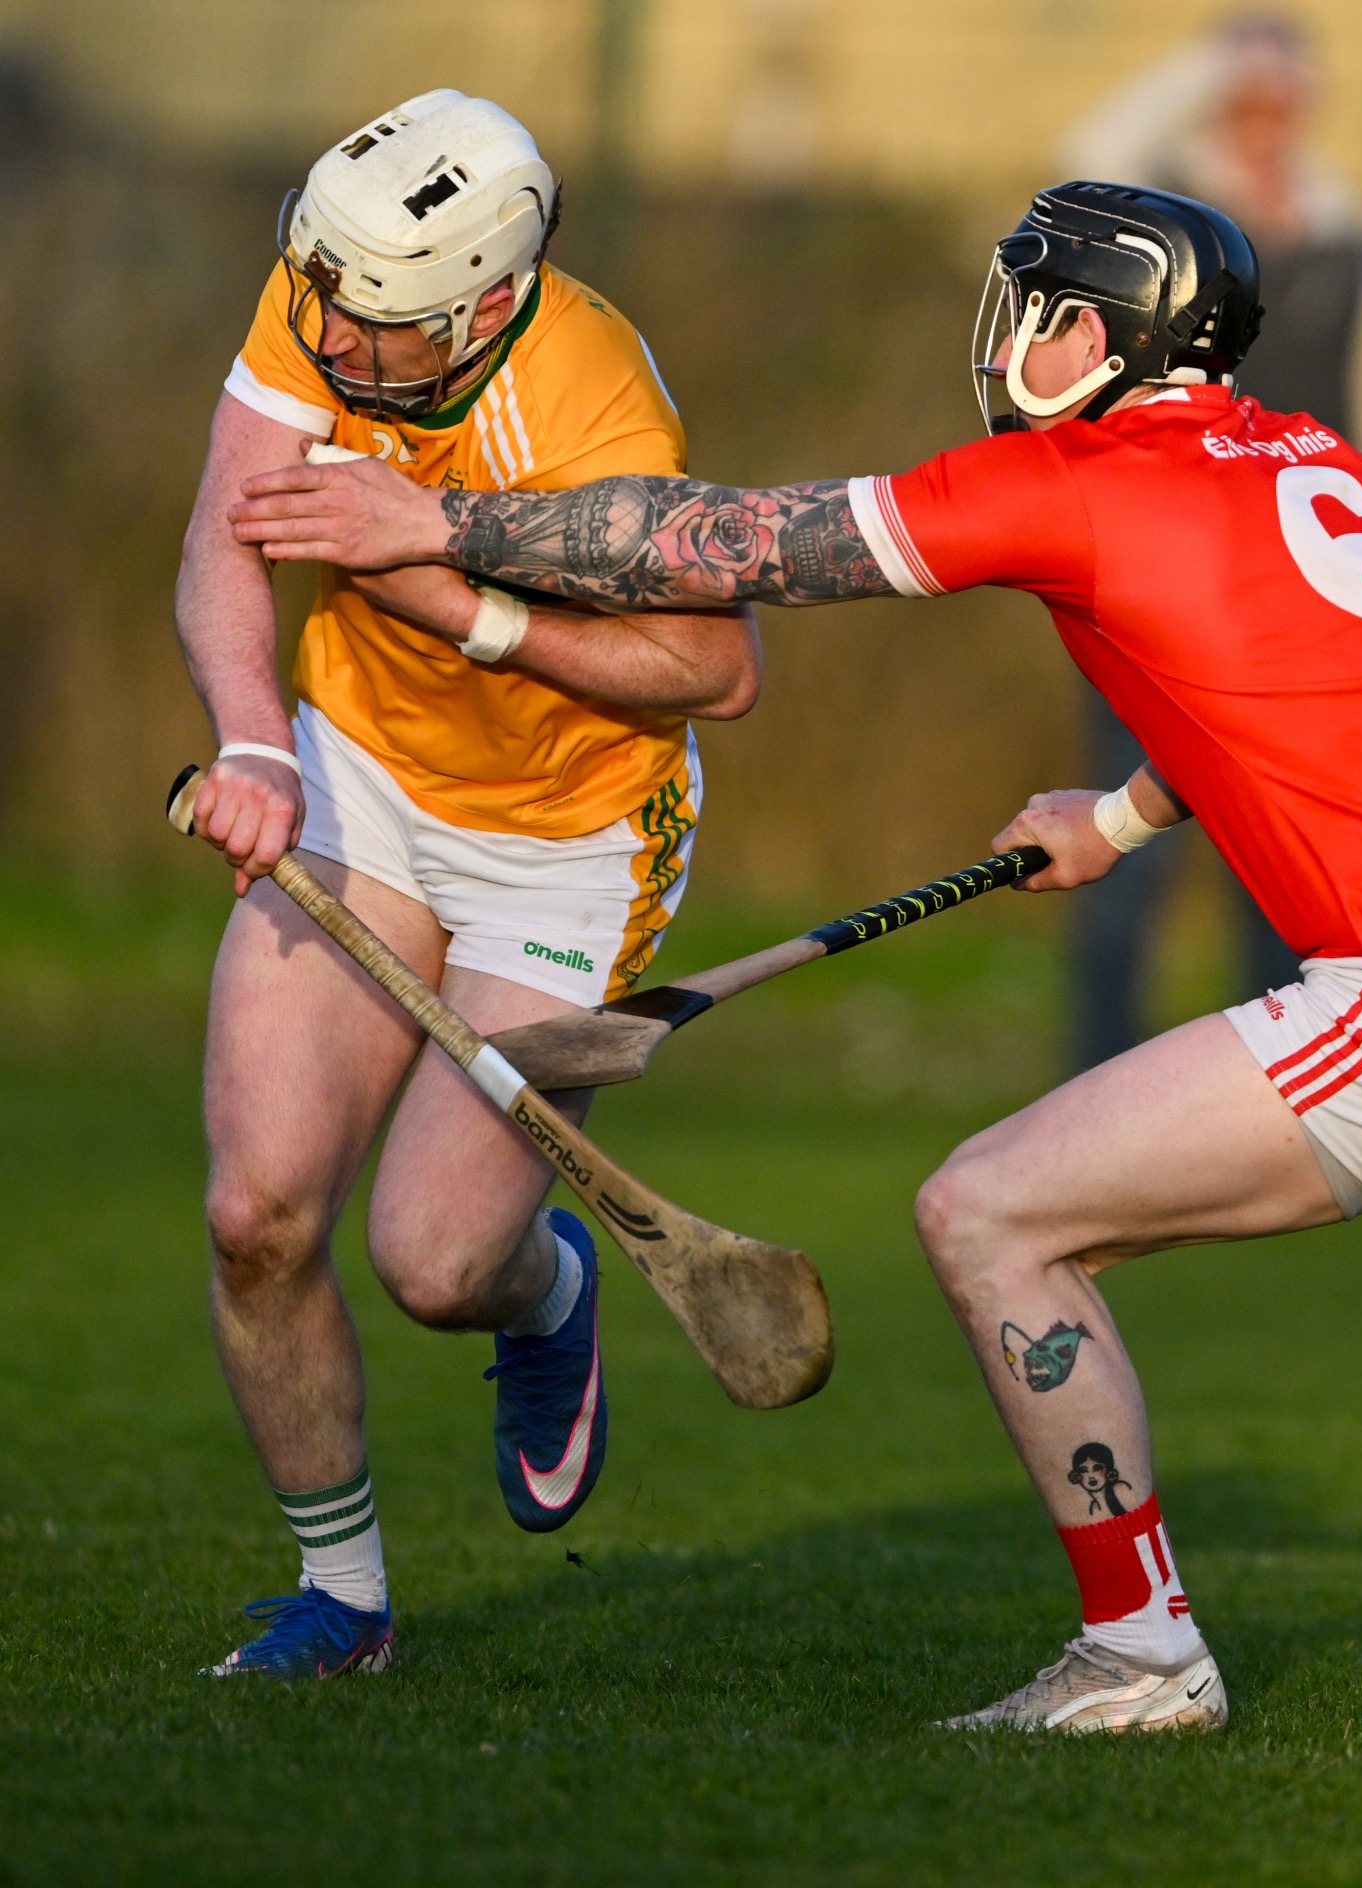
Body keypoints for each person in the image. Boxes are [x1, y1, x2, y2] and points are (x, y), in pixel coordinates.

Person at [225, 181, 1362, 1751]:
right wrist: (1124, 813)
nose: (1005, 331)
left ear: (1100, 337)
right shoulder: (1307, 453)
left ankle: (1139, 1654)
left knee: (987, 1208)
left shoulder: (1066, 483)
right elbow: (1312, 676)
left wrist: (433, 516)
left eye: (1035, 307)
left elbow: (723, 544)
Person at [175, 90, 760, 1679]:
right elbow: (228, 530)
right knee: (257, 1213)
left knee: (435, 1262)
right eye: (325, 310)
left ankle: (544, 1296)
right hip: (357, 779)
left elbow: (717, 671)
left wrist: (464, 606)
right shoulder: (338, 283)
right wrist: (259, 748)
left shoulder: (596, 413)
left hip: (570, 844)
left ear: (489, 301)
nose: (333, 353)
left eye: (376, 335)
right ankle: (344, 1603)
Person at [1060, 13, 1362, 1066]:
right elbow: (1082, 164)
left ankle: (1276, 1066)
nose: (1268, 119)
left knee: (1282, 847)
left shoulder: (1349, 232)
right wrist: (1202, 67)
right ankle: (1094, 1076)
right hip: (1153, 579)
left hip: (1296, 598)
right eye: (1248, 97)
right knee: (1119, 839)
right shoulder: (1159, 211)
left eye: (1283, 97)